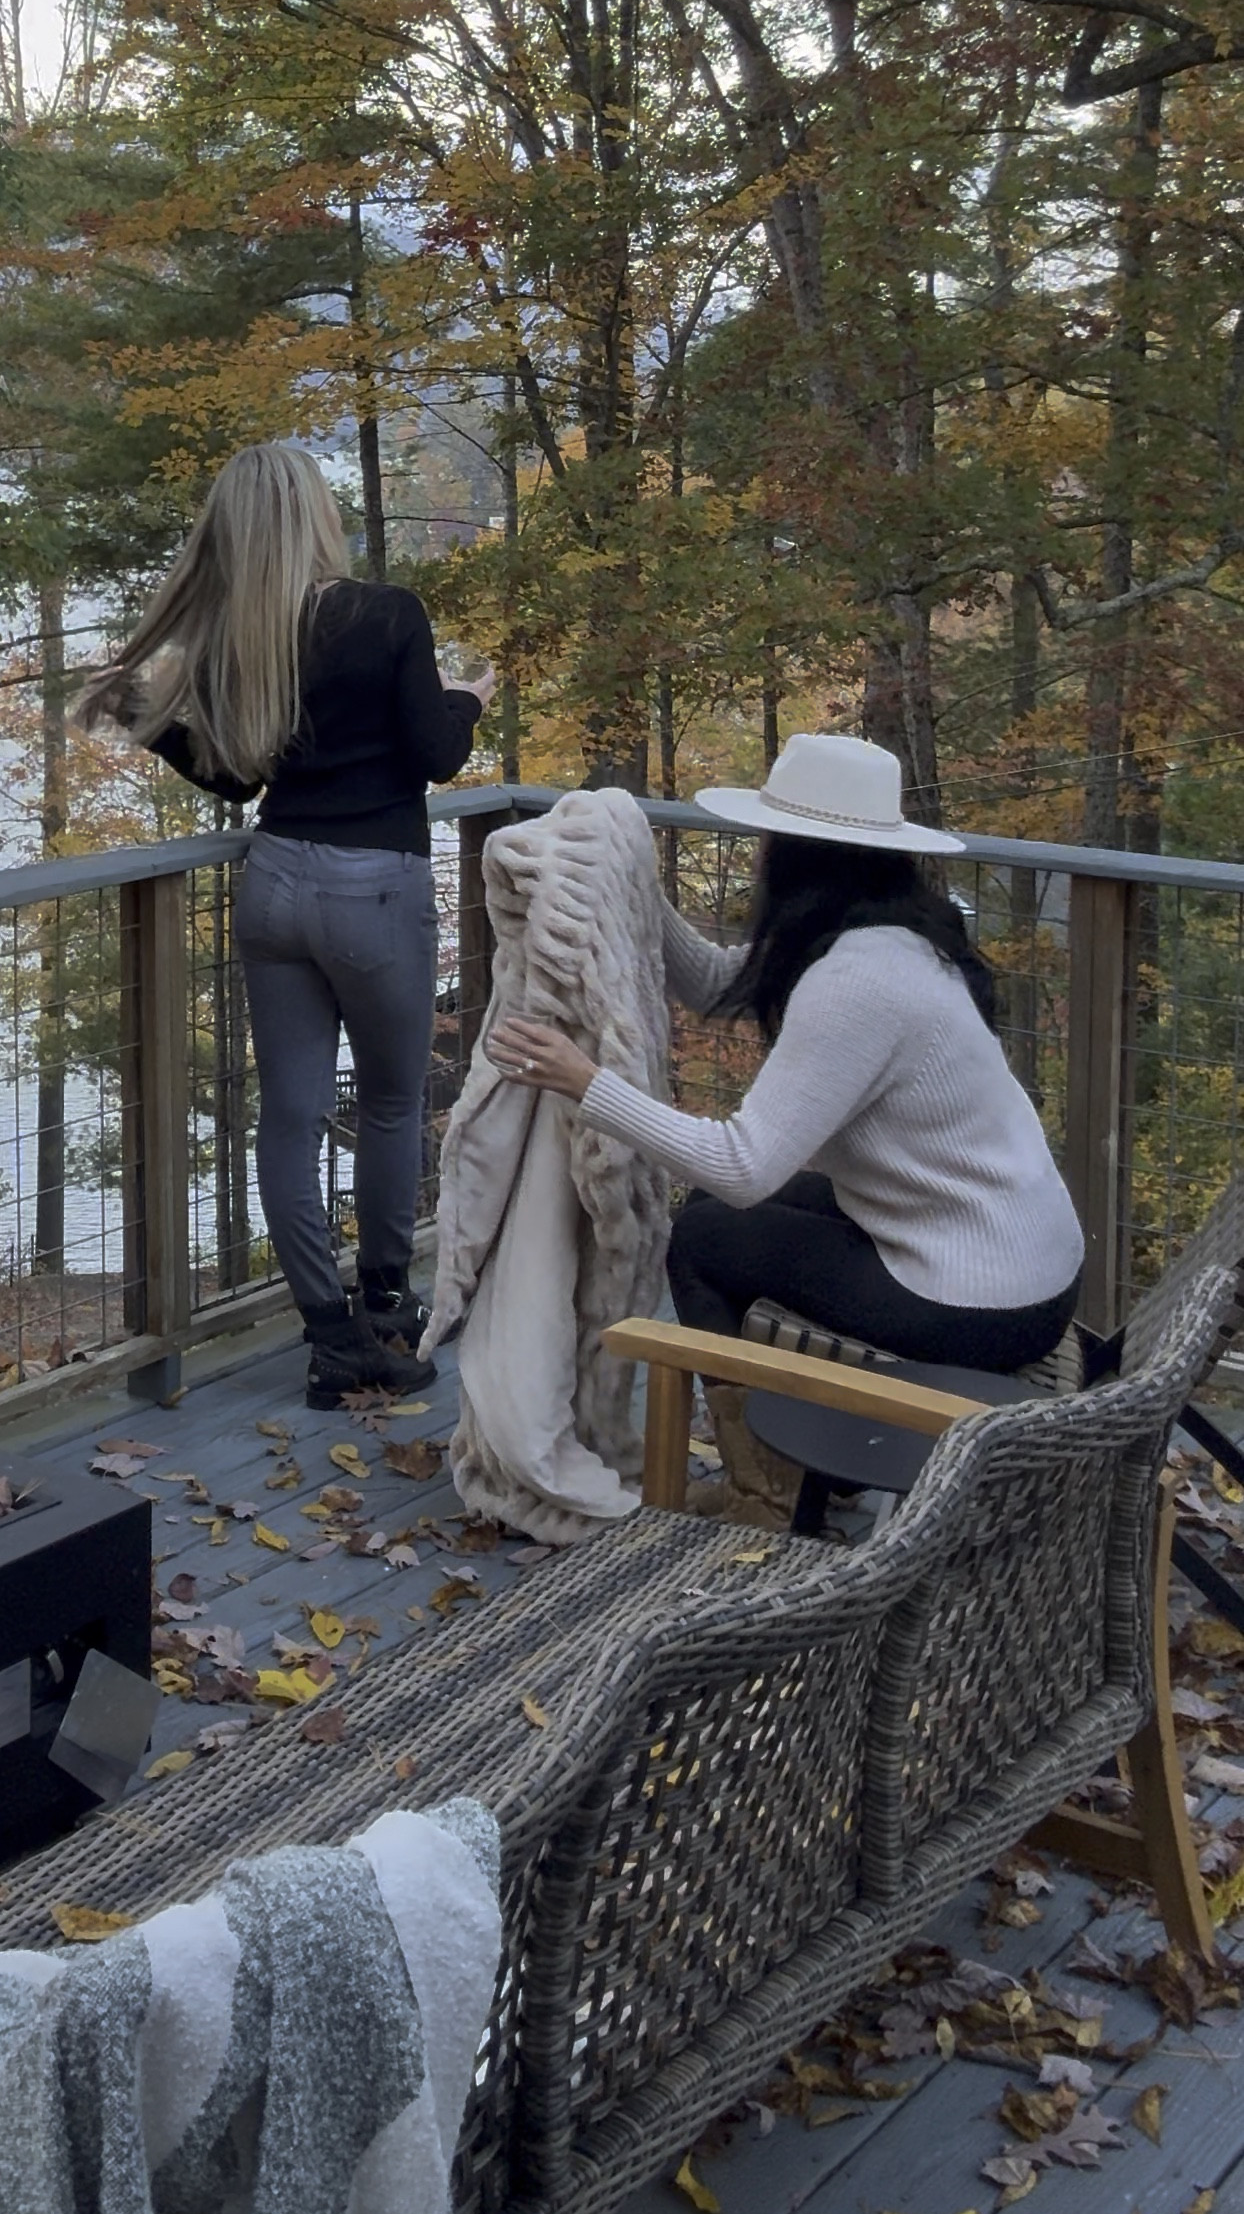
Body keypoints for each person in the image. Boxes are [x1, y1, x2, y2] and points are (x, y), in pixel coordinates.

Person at [489, 730, 1083, 1501]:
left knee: (702, 1238)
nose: (761, 852)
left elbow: (745, 1166)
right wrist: (632, 882)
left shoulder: (858, 980)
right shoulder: (881, 935)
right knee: (712, 1215)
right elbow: (709, 983)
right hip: (1016, 1263)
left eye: (771, 836)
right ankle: (807, 1459)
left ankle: (767, 1485)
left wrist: (585, 1081)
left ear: (800, 853)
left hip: (982, 1304)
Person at [81, 441, 484, 1406]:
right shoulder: (388, 614)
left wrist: (146, 718)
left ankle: (330, 1340)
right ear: (315, 514)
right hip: (373, 891)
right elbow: (436, 756)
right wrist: (468, 697)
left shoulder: (243, 637)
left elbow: (237, 780)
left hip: (275, 884)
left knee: (290, 1120)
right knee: (389, 1102)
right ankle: (385, 1307)